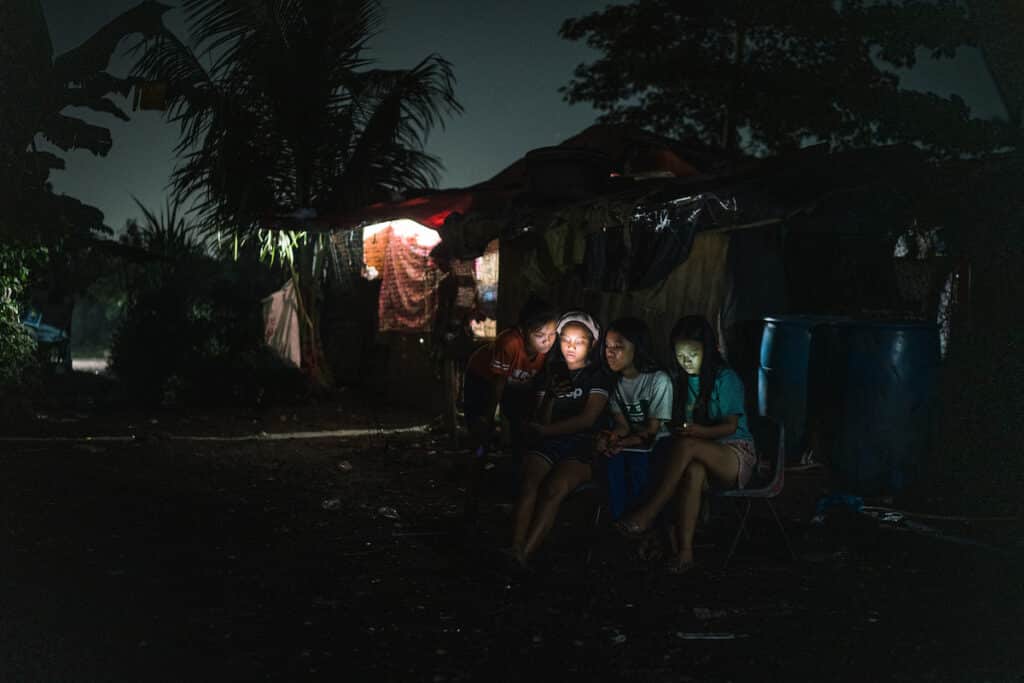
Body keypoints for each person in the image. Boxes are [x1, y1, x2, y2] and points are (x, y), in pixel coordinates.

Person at [614, 315, 755, 574]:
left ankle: (649, 513)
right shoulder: (678, 379)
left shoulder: (726, 378)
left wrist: (700, 431)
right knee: (691, 470)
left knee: (687, 446)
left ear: (708, 350)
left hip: (734, 452)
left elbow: (731, 426)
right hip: (697, 454)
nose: (686, 360)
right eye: (680, 354)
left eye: (693, 353)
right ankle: (685, 553)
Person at [511, 311, 610, 568]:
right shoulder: (550, 374)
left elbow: (588, 420)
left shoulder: (597, 377)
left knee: (554, 489)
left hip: (581, 445)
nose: (571, 347)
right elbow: (541, 419)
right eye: (566, 340)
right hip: (548, 443)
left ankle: (524, 555)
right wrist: (551, 397)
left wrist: (545, 432)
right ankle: (515, 548)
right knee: (530, 482)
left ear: (592, 344)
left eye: (579, 342)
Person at [597, 317, 674, 520]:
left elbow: (652, 431)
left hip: (658, 442)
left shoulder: (659, 380)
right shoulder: (615, 382)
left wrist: (622, 443)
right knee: (611, 460)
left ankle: (640, 523)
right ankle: (618, 523)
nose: (610, 352)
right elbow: (622, 424)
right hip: (630, 441)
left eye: (618, 346)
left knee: (638, 464)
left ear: (637, 348)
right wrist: (613, 438)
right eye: (607, 346)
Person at [463, 296, 558, 451]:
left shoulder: (550, 350)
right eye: (540, 335)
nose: (547, 341)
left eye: (552, 334)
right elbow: (498, 384)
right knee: (479, 423)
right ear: (523, 330)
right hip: (482, 376)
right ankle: (477, 459)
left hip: (514, 381)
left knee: (519, 425)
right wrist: (489, 418)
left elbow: (540, 385)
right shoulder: (509, 344)